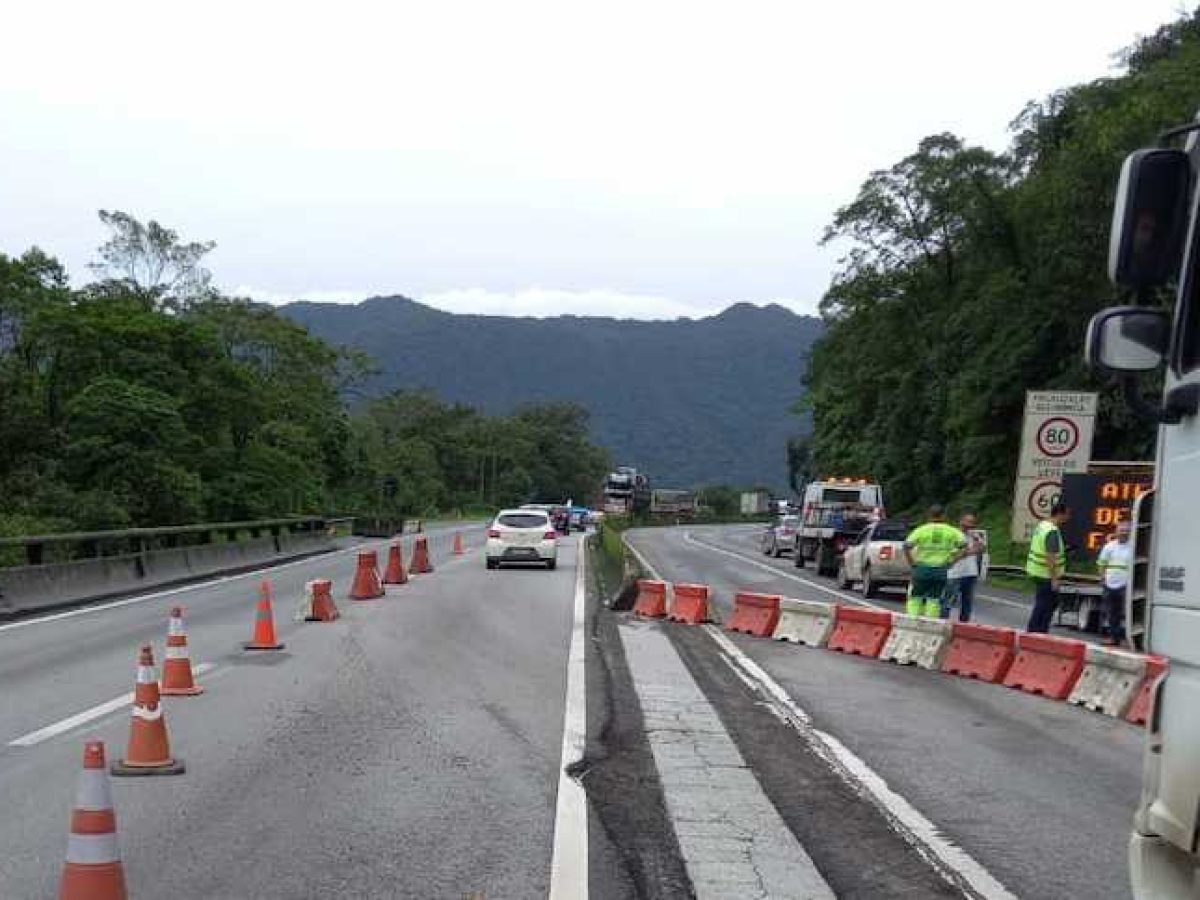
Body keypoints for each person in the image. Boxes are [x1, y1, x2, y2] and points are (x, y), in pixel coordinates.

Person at [903, 505, 968, 618]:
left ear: (929, 515)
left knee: (915, 596)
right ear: (944, 516)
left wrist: (912, 562)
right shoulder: (951, 531)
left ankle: (912, 620)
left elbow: (907, 545)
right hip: (940, 570)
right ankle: (930, 622)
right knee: (934, 599)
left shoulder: (921, 530)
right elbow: (964, 546)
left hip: (921, 569)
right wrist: (953, 561)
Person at [1025, 501, 1071, 633]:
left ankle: (1036, 631)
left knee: (1046, 603)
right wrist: (1054, 578)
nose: (1068, 517)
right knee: (1045, 604)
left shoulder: (1043, 525)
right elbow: (1050, 556)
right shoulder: (1052, 531)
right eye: (1067, 514)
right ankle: (1037, 632)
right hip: (1046, 574)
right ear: (1060, 514)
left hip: (1037, 572)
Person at [941, 512, 983, 622]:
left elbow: (980, 549)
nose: (970, 524)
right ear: (961, 521)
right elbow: (955, 554)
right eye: (968, 521)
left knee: (967, 604)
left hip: (970, 573)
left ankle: (964, 625)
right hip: (955, 574)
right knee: (948, 602)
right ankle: (943, 623)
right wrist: (970, 551)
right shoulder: (953, 535)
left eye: (972, 522)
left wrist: (969, 550)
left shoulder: (974, 535)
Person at [1096, 522, 1132, 646]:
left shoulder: (1134, 547)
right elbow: (1101, 564)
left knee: (1127, 613)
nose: (1124, 532)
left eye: (1127, 530)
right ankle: (1114, 638)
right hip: (1109, 584)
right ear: (1116, 531)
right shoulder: (1109, 547)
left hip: (1126, 585)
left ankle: (1130, 639)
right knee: (1111, 613)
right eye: (1121, 530)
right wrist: (1102, 578)